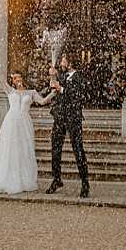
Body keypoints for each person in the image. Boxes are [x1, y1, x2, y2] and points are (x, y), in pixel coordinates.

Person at [0, 63, 54, 195]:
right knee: (8, 149)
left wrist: (54, 92)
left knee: (24, 150)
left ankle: (23, 179)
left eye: (19, 78)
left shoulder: (31, 93)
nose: (17, 80)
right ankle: (7, 177)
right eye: (15, 78)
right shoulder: (10, 91)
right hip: (10, 122)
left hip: (24, 123)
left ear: (23, 78)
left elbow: (43, 101)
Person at [45, 50, 90, 198]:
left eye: (64, 61)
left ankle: (85, 183)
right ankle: (56, 179)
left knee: (78, 149)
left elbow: (78, 95)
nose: (61, 63)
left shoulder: (79, 77)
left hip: (73, 119)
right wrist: (52, 77)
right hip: (59, 117)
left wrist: (61, 88)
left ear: (70, 63)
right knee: (55, 148)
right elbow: (53, 88)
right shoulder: (62, 75)